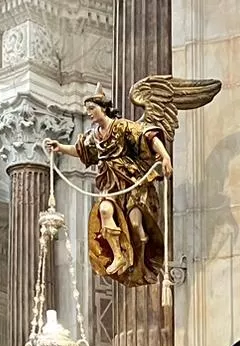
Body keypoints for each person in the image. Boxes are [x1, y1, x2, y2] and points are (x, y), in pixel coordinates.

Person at [45, 94, 173, 284]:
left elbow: (148, 136)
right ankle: (118, 255)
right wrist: (61, 148)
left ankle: (144, 255)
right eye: (87, 110)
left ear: (102, 108)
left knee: (136, 224)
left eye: (91, 109)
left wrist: (165, 156)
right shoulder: (94, 135)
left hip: (130, 180)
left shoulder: (121, 126)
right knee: (104, 210)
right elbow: (81, 150)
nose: (89, 113)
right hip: (109, 180)